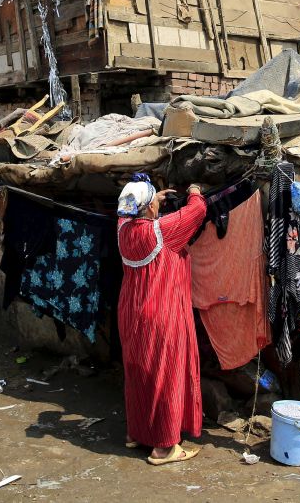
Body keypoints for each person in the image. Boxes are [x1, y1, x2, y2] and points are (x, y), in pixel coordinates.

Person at [116, 173, 208, 465]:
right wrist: (194, 189)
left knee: (139, 374)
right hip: (161, 312)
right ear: (150, 208)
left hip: (131, 312)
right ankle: (165, 447)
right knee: (165, 375)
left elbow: (134, 212)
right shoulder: (160, 231)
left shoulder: (122, 230)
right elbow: (197, 211)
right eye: (153, 199)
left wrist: (153, 199)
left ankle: (137, 434)